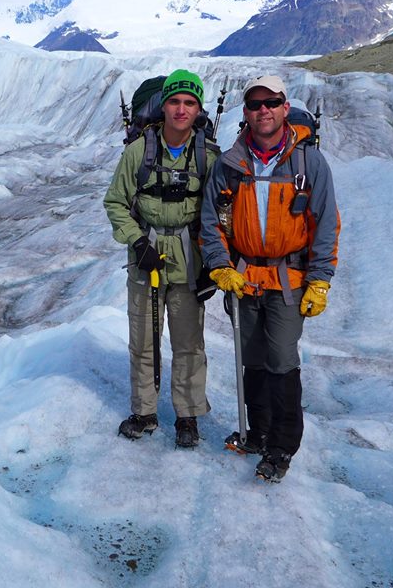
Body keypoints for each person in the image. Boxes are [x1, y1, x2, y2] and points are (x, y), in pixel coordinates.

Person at [200, 74, 340, 482]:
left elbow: (326, 222)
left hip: (287, 280)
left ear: (284, 108)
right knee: (252, 360)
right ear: (246, 113)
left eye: (271, 103)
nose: (264, 111)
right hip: (242, 277)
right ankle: (256, 433)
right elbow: (212, 221)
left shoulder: (307, 161)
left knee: (281, 360)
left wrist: (320, 279)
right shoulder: (231, 163)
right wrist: (219, 264)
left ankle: (282, 446)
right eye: (256, 104)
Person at [104, 69, 217, 448]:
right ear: (164, 105)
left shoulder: (207, 156)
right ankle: (144, 411)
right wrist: (138, 243)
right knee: (144, 341)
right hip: (145, 258)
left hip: (189, 262)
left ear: (198, 108)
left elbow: (220, 213)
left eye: (189, 102)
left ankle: (187, 416)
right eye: (174, 101)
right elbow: (116, 202)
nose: (181, 109)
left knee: (188, 344)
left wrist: (214, 265)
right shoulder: (138, 152)